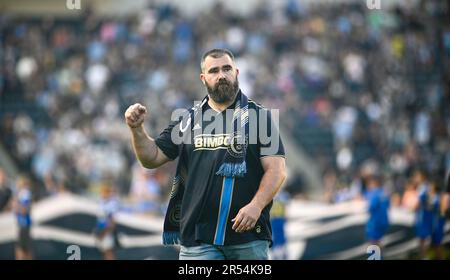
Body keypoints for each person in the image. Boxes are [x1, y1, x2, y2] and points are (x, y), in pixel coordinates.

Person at [124, 48, 286, 260]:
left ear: (236, 72)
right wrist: (136, 129)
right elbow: (152, 157)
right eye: (214, 71)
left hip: (249, 238)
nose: (221, 75)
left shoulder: (261, 118)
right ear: (203, 78)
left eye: (227, 69)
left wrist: (256, 206)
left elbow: (277, 171)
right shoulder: (188, 120)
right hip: (199, 240)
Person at [94, 183, 120, 260]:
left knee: (108, 252)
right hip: (101, 230)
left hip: (106, 232)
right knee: (105, 253)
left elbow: (112, 222)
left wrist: (104, 233)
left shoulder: (111, 205)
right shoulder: (102, 203)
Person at [365, 174, 390, 250]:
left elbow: (371, 207)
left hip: (375, 222)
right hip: (384, 221)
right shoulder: (384, 193)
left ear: (374, 183)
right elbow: (388, 205)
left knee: (372, 242)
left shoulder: (374, 194)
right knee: (378, 242)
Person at [13, 175, 33, 260]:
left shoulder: (24, 193)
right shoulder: (22, 193)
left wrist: (16, 206)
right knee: (23, 248)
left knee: (22, 249)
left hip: (24, 224)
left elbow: (25, 209)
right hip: (22, 223)